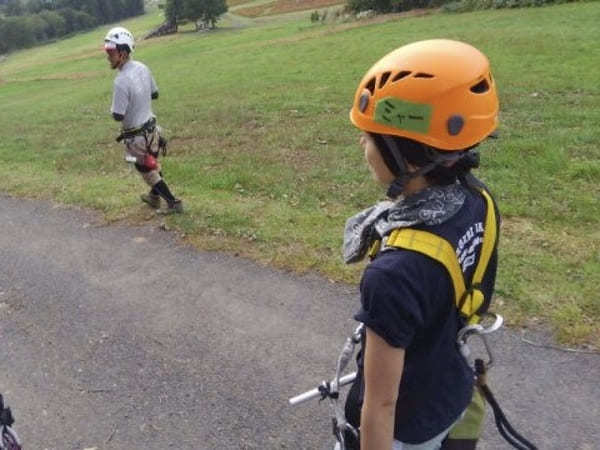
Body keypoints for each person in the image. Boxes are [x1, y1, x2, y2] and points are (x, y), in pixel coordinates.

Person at [341, 39, 501, 450]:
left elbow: (381, 404)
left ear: (408, 159)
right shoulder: (476, 200)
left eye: (371, 137)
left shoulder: (393, 275)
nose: (363, 145)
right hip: (452, 390)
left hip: (408, 429)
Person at [104, 26, 183, 214]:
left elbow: (118, 116)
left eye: (111, 52)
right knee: (151, 163)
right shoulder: (142, 67)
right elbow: (154, 94)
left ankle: (173, 202)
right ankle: (154, 197)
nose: (108, 56)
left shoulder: (121, 80)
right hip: (153, 131)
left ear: (122, 53)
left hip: (136, 138)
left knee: (144, 168)